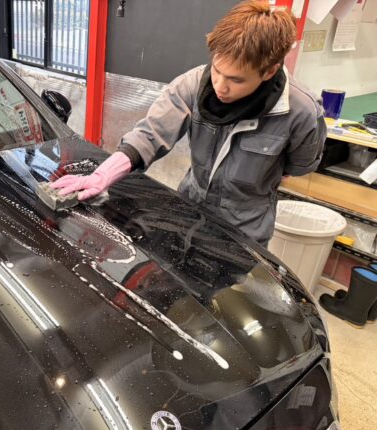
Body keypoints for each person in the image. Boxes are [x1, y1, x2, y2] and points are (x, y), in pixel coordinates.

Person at [50, 0, 327, 247]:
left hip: (245, 234)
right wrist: (101, 176)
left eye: (236, 79)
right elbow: (149, 135)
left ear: (269, 71)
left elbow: (300, 166)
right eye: (217, 70)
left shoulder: (300, 111)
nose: (220, 86)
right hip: (189, 214)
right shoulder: (193, 84)